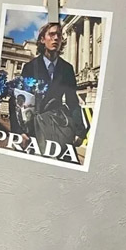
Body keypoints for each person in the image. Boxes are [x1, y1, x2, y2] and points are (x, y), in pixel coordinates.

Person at [10, 22, 87, 156]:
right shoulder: (30, 67)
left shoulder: (67, 69)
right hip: (33, 129)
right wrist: (19, 131)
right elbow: (17, 100)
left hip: (58, 127)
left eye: (59, 35)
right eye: (51, 34)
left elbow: (72, 102)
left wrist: (80, 131)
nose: (56, 38)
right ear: (42, 39)